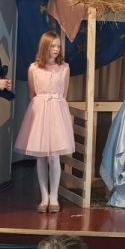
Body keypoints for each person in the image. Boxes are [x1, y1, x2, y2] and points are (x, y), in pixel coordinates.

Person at [14, 31, 74, 213]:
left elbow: (64, 94)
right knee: (40, 156)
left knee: (54, 156)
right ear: (45, 46)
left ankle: (54, 196)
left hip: (57, 112)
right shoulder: (33, 68)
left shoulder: (64, 68)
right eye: (52, 46)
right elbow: (32, 94)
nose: (56, 49)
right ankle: (44, 196)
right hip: (39, 112)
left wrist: (55, 106)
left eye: (58, 46)